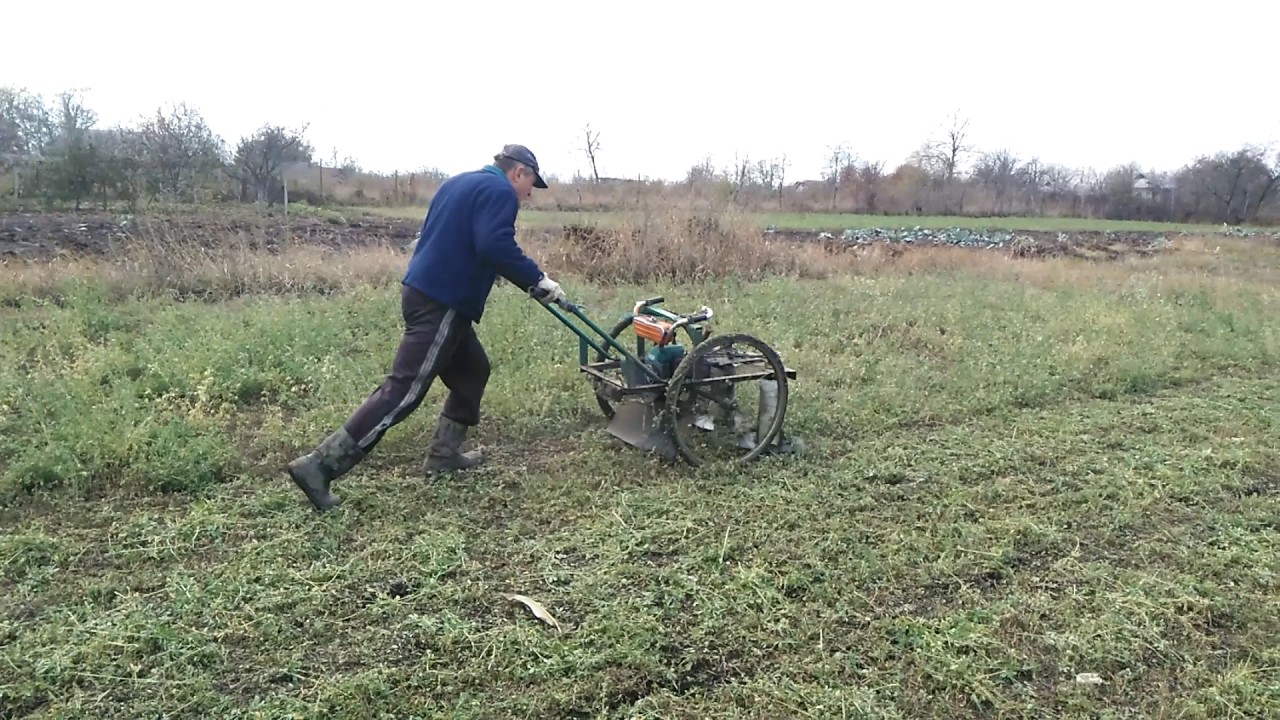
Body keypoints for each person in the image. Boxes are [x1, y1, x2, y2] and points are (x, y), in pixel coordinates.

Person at [286, 144, 567, 511]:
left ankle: (443, 456)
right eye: (531, 184)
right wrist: (537, 280)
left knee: (472, 371)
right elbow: (494, 244)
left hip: (426, 291)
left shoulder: (459, 183)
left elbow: (459, 239)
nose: (529, 194)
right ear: (519, 173)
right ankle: (320, 465)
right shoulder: (500, 192)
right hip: (442, 301)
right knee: (404, 389)